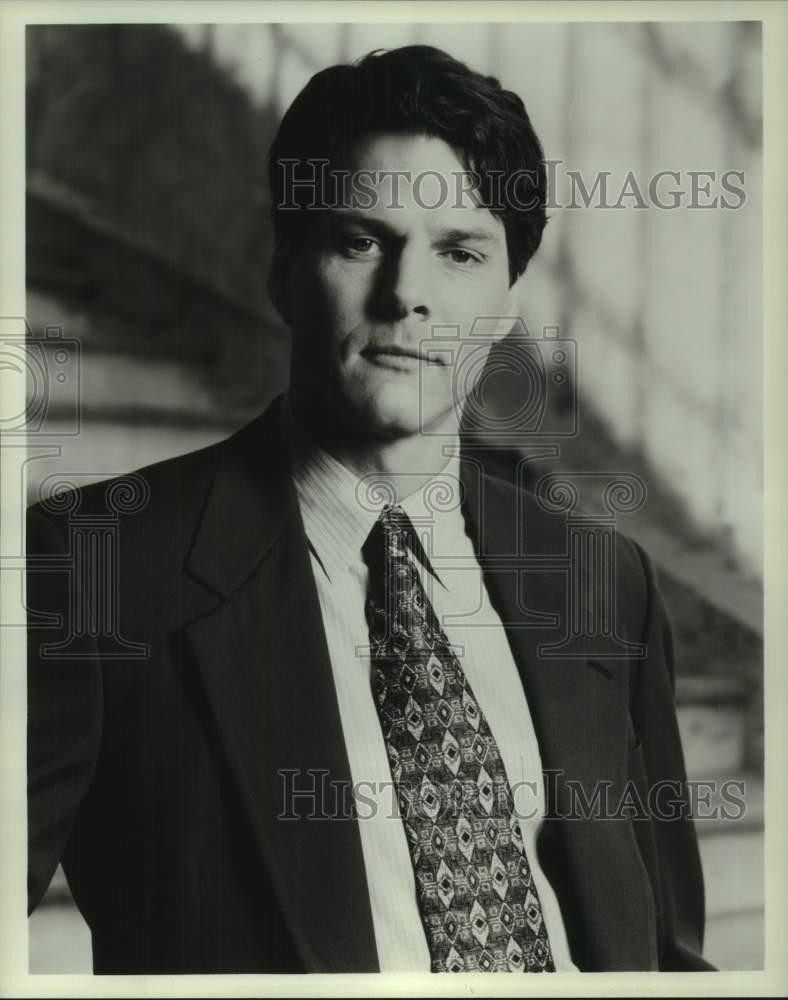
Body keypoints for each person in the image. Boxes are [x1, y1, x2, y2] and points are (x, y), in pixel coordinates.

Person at [26, 45, 713, 974]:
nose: (408, 297)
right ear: (283, 271)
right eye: (361, 241)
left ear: (508, 301)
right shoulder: (94, 568)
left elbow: (669, 956)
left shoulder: (603, 580)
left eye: (460, 252)